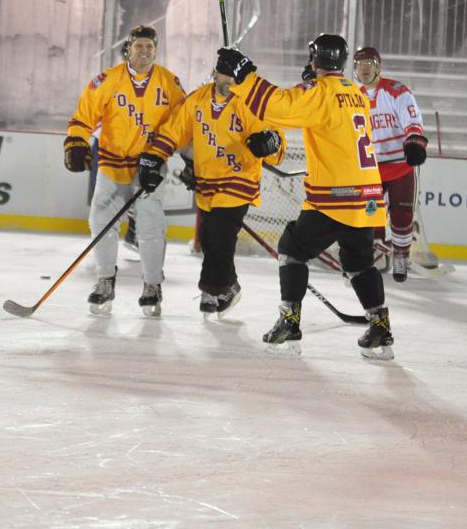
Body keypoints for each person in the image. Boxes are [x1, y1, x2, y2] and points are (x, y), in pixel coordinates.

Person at [217, 35, 394, 360]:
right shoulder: (355, 92)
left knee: (291, 249)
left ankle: (289, 322)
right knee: (358, 262)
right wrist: (310, 84)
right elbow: (326, 112)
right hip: (367, 195)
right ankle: (380, 329)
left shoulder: (320, 93)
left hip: (336, 196)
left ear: (315, 60)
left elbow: (279, 107)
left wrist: (244, 74)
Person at [139, 54, 285, 320]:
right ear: (216, 73)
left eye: (236, 76)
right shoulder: (197, 99)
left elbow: (275, 136)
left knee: (220, 235)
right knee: (211, 240)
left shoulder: (249, 101)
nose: (231, 81)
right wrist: (155, 156)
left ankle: (211, 289)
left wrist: (270, 143)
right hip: (207, 183)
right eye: (226, 75)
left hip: (239, 180)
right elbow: (175, 130)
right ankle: (230, 285)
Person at [64, 25, 186, 316]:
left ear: (155, 51)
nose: (144, 51)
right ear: (128, 49)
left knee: (150, 226)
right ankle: (105, 280)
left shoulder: (169, 82)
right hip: (112, 163)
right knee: (101, 221)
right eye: (139, 46)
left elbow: (183, 122)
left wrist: (183, 157)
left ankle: (152, 285)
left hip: (150, 165)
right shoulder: (108, 80)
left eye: (149, 47)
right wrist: (76, 141)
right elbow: (84, 115)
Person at [353, 46, 429, 282]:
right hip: (371, 169)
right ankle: (370, 257)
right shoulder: (354, 96)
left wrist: (414, 141)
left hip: (400, 167)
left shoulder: (396, 90)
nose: (364, 68)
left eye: (369, 63)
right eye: (360, 64)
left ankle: (400, 257)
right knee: (368, 215)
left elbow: (412, 118)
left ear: (378, 66)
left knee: (402, 215)